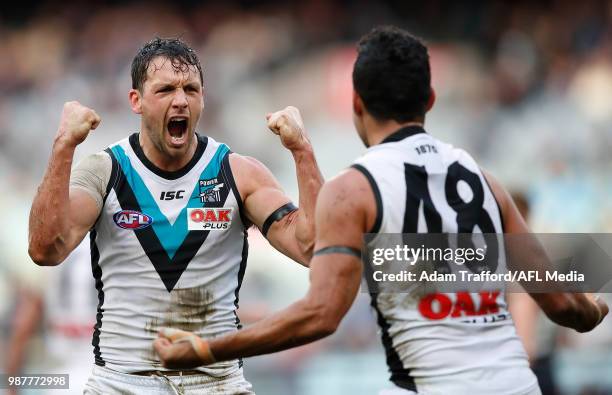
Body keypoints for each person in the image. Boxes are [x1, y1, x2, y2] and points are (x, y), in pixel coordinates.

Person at [153, 26, 609, 395]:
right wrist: (592, 311)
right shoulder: (486, 182)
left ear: (356, 104)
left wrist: (207, 349)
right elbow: (566, 304)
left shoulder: (353, 190)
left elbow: (321, 315)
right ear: (429, 101)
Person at [28, 37, 323, 394]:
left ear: (203, 98)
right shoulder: (106, 171)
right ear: (136, 100)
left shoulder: (237, 173)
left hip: (217, 383)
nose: (180, 100)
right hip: (122, 383)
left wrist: (302, 150)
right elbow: (45, 250)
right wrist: (63, 146)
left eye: (191, 89)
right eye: (166, 89)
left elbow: (313, 249)